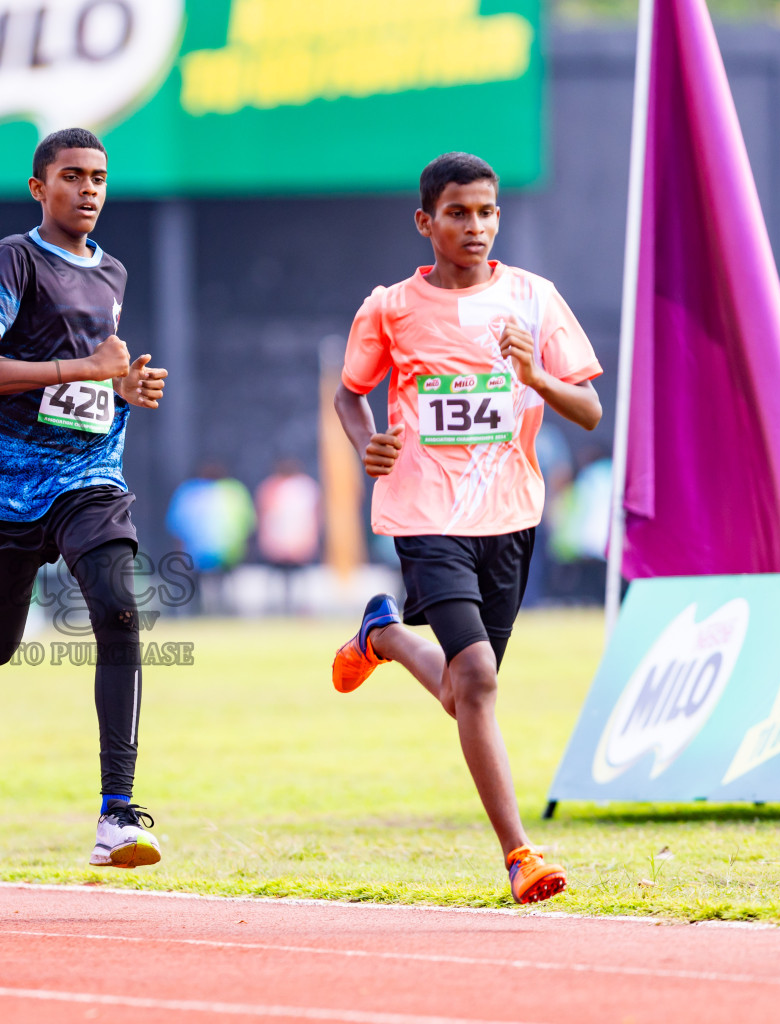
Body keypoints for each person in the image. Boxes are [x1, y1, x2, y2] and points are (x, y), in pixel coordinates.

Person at [330, 153, 602, 904]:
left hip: (510, 515)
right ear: (426, 222)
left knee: (461, 691)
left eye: (485, 212)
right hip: (424, 514)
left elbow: (588, 411)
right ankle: (520, 855)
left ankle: (382, 637)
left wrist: (536, 375)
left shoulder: (534, 301)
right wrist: (366, 444)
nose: (473, 226)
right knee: (478, 679)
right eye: (457, 213)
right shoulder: (390, 308)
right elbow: (351, 395)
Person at [0, 127, 169, 868]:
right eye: (71, 176)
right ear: (40, 188)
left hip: (88, 474)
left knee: (119, 608)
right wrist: (84, 367)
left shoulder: (114, 273)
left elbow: (98, 378)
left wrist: (123, 389)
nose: (89, 188)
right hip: (1, 486)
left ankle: (117, 813)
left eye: (98, 176)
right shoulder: (13, 259)